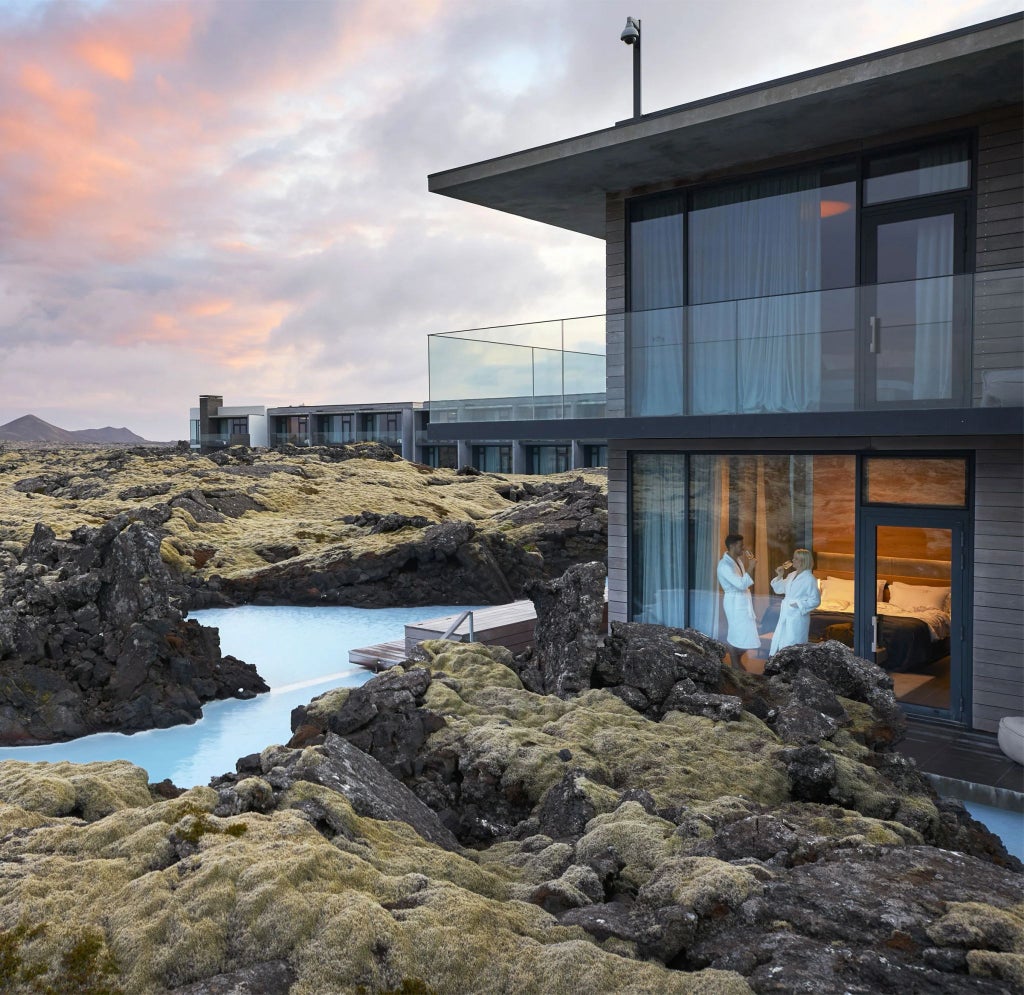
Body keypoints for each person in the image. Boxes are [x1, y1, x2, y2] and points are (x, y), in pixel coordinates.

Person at [768, 548, 821, 655]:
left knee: (794, 643)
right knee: (781, 640)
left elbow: (816, 600)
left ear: (802, 561)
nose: (793, 560)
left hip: (797, 615)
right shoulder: (791, 575)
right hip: (786, 612)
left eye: (796, 558)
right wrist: (779, 575)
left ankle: (792, 669)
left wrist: (798, 604)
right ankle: (780, 665)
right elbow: (779, 589)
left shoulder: (810, 579)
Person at [717, 533, 759, 668]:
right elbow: (741, 585)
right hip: (734, 603)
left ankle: (734, 658)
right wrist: (751, 567)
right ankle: (733, 659)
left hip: (742, 602)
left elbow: (744, 584)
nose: (744, 548)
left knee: (746, 635)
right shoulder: (724, 565)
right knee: (738, 634)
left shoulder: (737, 561)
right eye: (741, 545)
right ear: (732, 546)